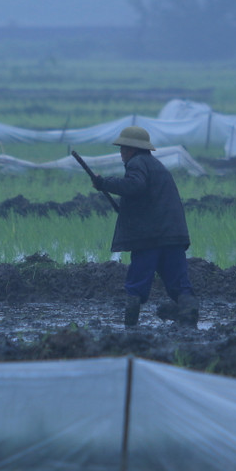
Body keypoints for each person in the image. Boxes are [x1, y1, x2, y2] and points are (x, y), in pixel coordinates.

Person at [90, 125, 199, 328]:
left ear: (132, 149)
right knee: (179, 284)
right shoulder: (156, 165)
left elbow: (134, 186)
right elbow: (146, 197)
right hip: (173, 235)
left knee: (137, 283)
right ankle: (189, 325)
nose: (121, 153)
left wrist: (104, 183)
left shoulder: (137, 163)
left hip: (150, 237)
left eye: (123, 148)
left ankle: (130, 328)